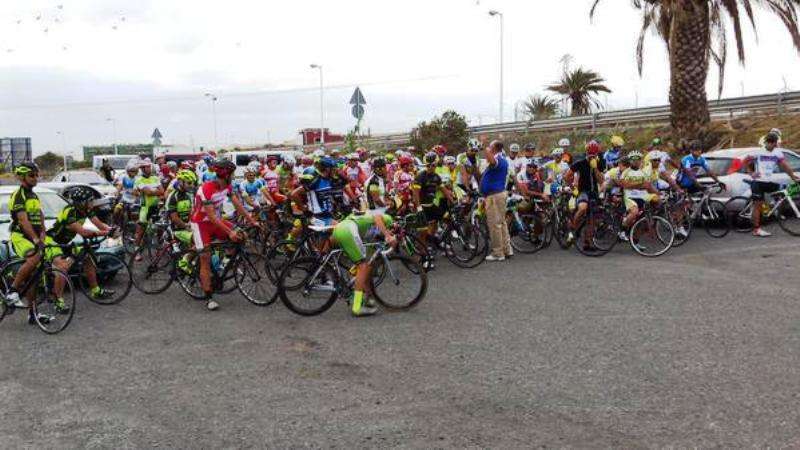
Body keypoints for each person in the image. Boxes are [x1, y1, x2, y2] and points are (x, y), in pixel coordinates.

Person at [4, 163, 71, 322]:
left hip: (36, 235)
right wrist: (35, 239)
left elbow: (40, 216)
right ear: (22, 177)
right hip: (21, 236)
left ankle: (34, 313)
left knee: (37, 274)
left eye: (36, 175)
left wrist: (42, 234)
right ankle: (12, 291)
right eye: (31, 175)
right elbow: (23, 220)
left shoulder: (34, 195)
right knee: (34, 258)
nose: (36, 178)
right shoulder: (19, 195)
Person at [190, 159, 257, 311]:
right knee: (205, 257)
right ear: (226, 175)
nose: (233, 176)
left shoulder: (227, 186)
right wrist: (229, 231)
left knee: (241, 235)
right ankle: (208, 297)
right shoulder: (206, 189)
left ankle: (223, 264)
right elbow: (212, 217)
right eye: (232, 174)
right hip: (201, 224)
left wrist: (252, 220)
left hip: (216, 222)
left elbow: (237, 204)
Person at [47, 185, 115, 301]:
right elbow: (84, 233)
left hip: (66, 242)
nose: (92, 202)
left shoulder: (86, 210)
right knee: (63, 268)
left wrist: (111, 229)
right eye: (90, 200)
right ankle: (58, 300)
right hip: (53, 241)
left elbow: (100, 225)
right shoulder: (69, 212)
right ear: (82, 202)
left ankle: (95, 291)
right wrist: (105, 233)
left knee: (88, 258)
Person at [331, 212, 396, 317]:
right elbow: (377, 217)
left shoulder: (372, 230)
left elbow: (369, 257)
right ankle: (357, 307)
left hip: (342, 229)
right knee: (363, 267)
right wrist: (388, 235)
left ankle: (367, 298)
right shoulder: (388, 219)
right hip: (348, 230)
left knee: (365, 267)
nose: (391, 232)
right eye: (392, 230)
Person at [746, 132, 800, 237]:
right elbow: (746, 160)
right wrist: (751, 173)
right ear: (766, 142)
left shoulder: (777, 153)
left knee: (783, 189)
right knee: (757, 206)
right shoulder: (759, 152)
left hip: (768, 181)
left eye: (773, 143)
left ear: (775, 143)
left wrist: (793, 177)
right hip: (758, 182)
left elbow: (785, 166)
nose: (771, 145)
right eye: (769, 143)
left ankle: (771, 208)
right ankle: (756, 230)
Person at [412, 152, 453, 269]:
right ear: (425, 165)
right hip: (422, 207)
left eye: (433, 165)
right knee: (423, 234)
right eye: (428, 165)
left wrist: (452, 199)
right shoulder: (421, 176)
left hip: (431, 205)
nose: (431, 167)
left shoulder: (436, 176)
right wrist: (418, 207)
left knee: (447, 218)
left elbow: (444, 190)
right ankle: (424, 258)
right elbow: (415, 194)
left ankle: (436, 242)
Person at [563, 141, 607, 248]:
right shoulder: (580, 163)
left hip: (594, 192)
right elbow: (567, 176)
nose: (592, 156)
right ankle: (572, 228)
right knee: (583, 208)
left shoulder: (600, 163)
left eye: (594, 154)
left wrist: (595, 168)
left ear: (597, 154)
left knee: (592, 220)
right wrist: (573, 188)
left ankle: (587, 243)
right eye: (590, 154)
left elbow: (601, 181)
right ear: (586, 153)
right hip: (582, 191)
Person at [481, 140, 512, 261]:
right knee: (502, 223)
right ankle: (507, 249)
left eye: (490, 147)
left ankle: (498, 253)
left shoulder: (498, 159)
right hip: (498, 194)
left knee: (495, 225)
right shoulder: (503, 159)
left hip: (494, 196)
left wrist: (484, 148)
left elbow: (492, 161)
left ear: (494, 148)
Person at [619, 150, 660, 241]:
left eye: (638, 159)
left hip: (642, 195)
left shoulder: (643, 172)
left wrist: (658, 193)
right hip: (630, 196)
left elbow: (648, 186)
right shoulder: (626, 172)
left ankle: (636, 238)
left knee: (658, 200)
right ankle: (623, 229)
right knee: (634, 212)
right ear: (630, 161)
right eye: (633, 159)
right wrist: (639, 185)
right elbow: (625, 185)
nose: (636, 161)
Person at [133, 159, 164, 259]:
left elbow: (162, 191)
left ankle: (158, 249)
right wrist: (155, 191)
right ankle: (136, 251)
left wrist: (152, 192)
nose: (149, 169)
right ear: (142, 169)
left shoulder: (155, 178)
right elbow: (148, 192)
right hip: (145, 208)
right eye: (147, 167)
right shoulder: (139, 180)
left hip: (156, 207)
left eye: (149, 167)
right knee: (141, 231)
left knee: (159, 229)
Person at [166, 169, 198, 255]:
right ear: (180, 182)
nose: (192, 186)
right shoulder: (173, 196)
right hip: (176, 229)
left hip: (186, 227)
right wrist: (186, 226)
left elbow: (191, 212)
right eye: (189, 183)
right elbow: (174, 218)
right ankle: (185, 261)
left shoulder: (188, 195)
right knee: (199, 241)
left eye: (193, 183)